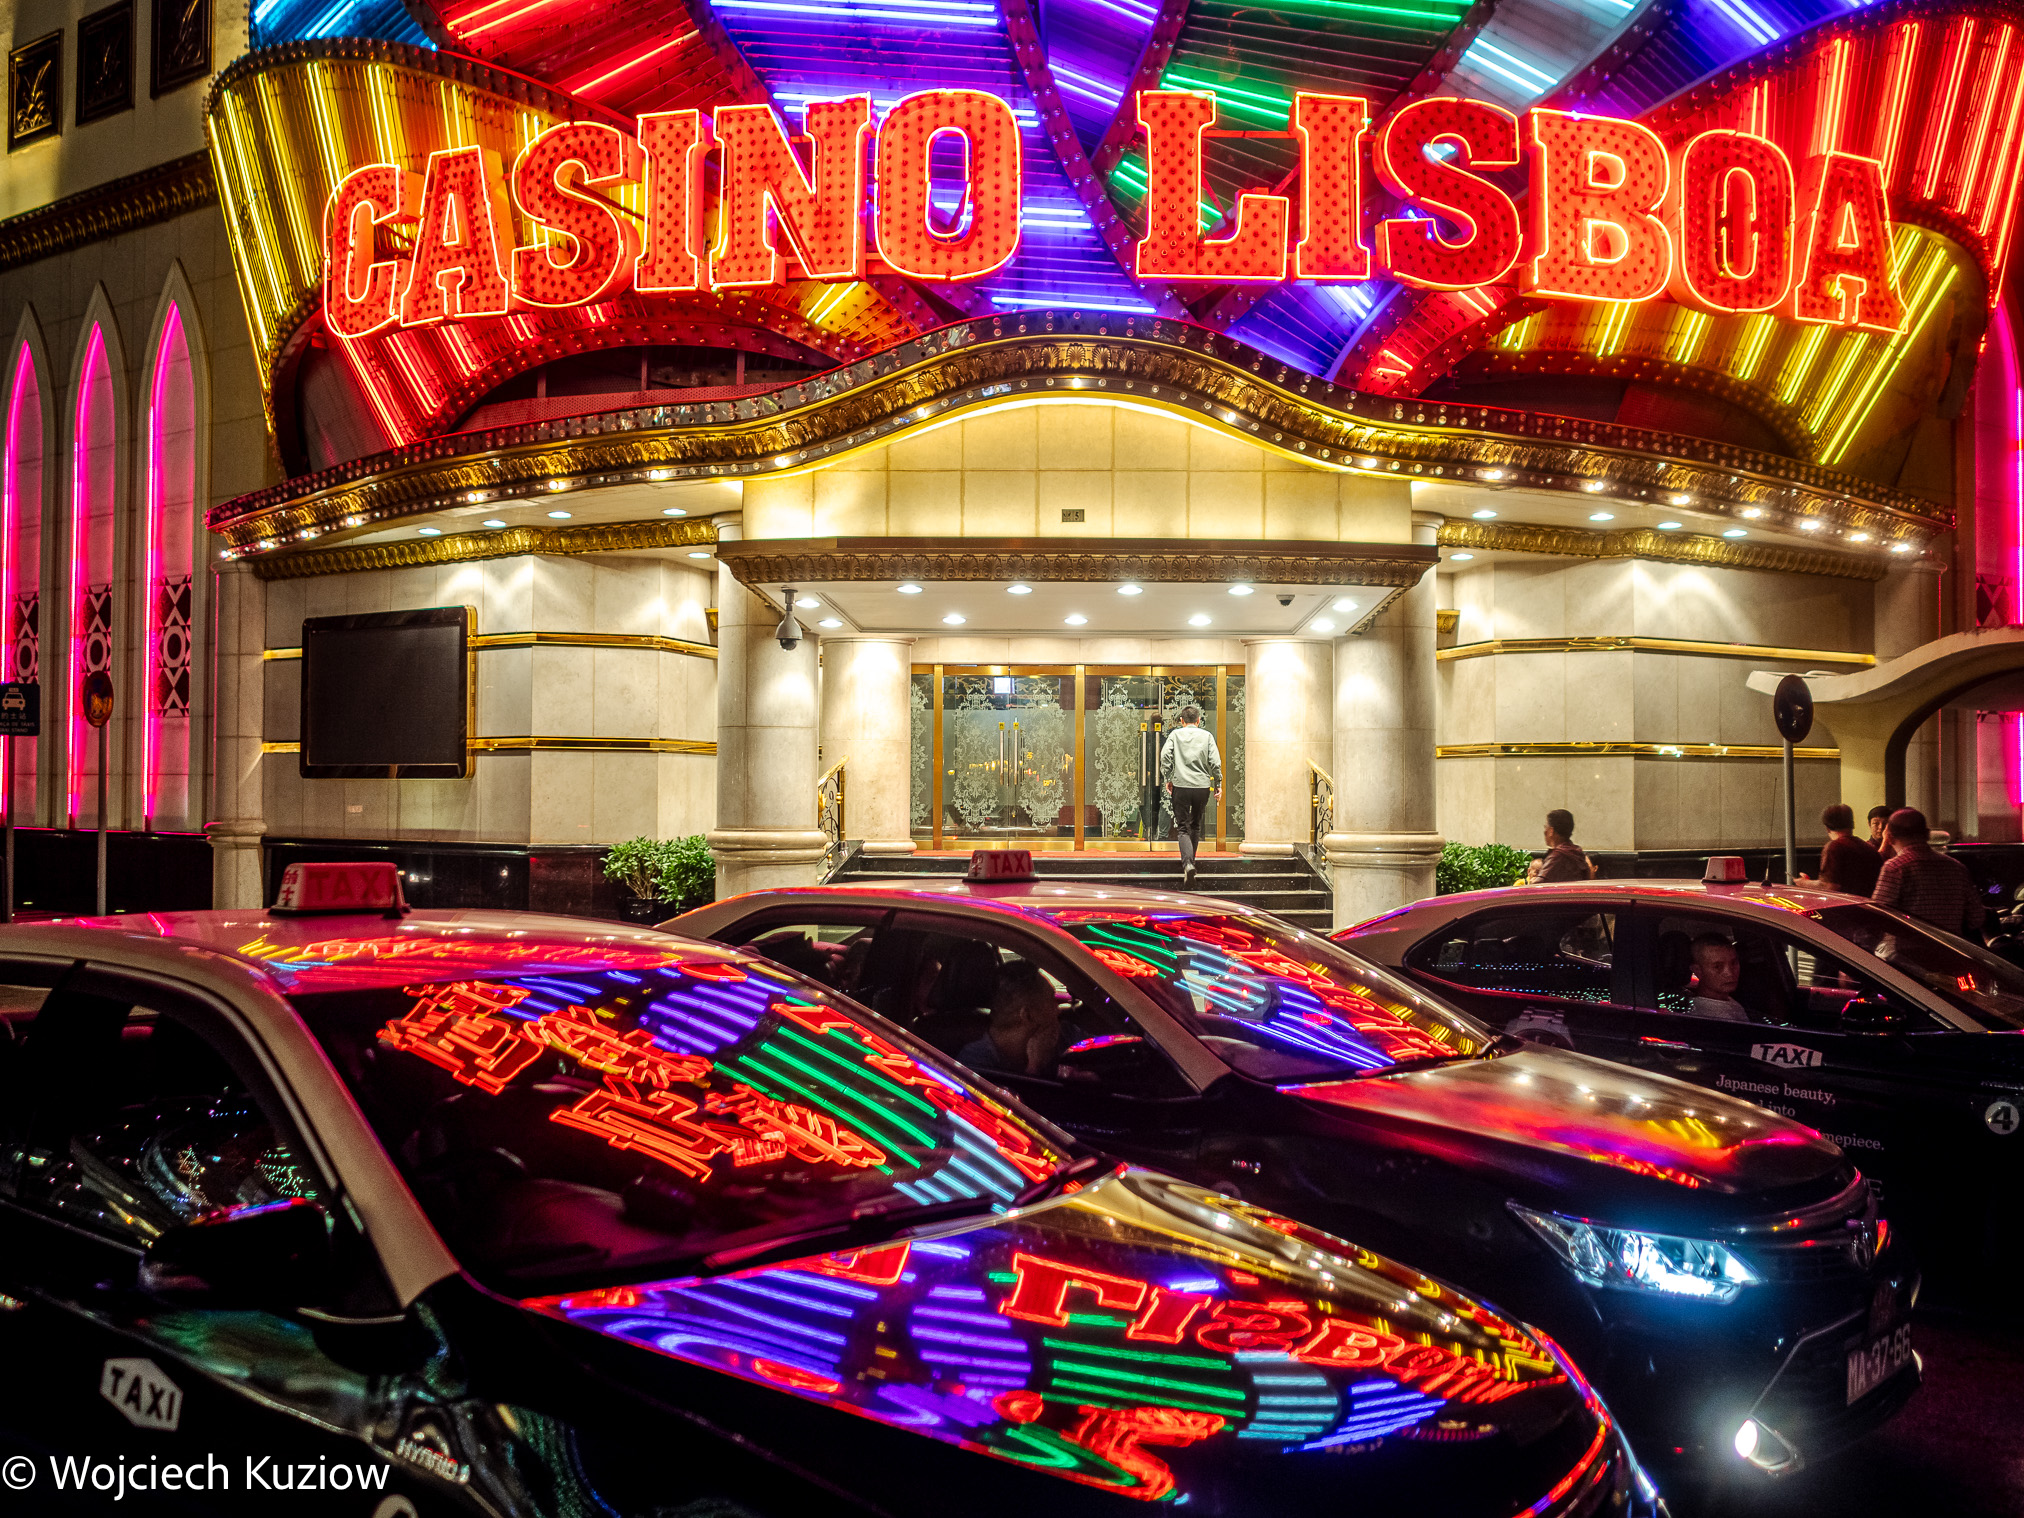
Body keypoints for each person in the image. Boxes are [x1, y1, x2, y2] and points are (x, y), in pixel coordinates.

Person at [1872, 807, 1985, 936]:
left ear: (1890, 838)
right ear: (1927, 834)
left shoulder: (1895, 868)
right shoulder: (1957, 868)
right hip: (1949, 945)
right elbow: (1977, 917)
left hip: (1908, 946)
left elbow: (1878, 917)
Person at [957, 961, 1062, 1077]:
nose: (1058, 1010)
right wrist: (1034, 1068)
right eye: (1051, 1000)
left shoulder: (1062, 1038)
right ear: (1028, 1015)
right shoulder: (974, 1063)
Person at [1159, 706, 1222, 887]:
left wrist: (1168, 777)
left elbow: (1165, 756)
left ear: (1181, 721)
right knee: (1195, 825)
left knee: (1183, 828)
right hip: (1202, 786)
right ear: (1198, 720)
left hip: (1181, 785)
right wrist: (1218, 783)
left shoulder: (1175, 735)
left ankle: (1188, 864)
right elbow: (1215, 762)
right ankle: (1191, 864)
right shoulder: (1207, 736)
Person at [1800, 803, 1882, 897]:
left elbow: (1830, 886)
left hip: (1846, 905)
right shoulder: (1869, 849)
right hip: (1868, 904)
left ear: (1827, 828)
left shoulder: (1834, 847)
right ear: (1852, 824)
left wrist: (1803, 883)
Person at [1686, 934, 1751, 1021]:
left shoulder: (1726, 1001)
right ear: (1698, 971)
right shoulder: (1705, 1016)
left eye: (1733, 963)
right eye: (1717, 966)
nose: (1729, 973)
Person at [1528, 809, 1592, 883]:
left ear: (1551, 831)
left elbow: (1539, 884)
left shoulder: (1557, 856)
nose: (1545, 832)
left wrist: (1532, 881)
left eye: (1546, 827)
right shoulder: (1577, 853)